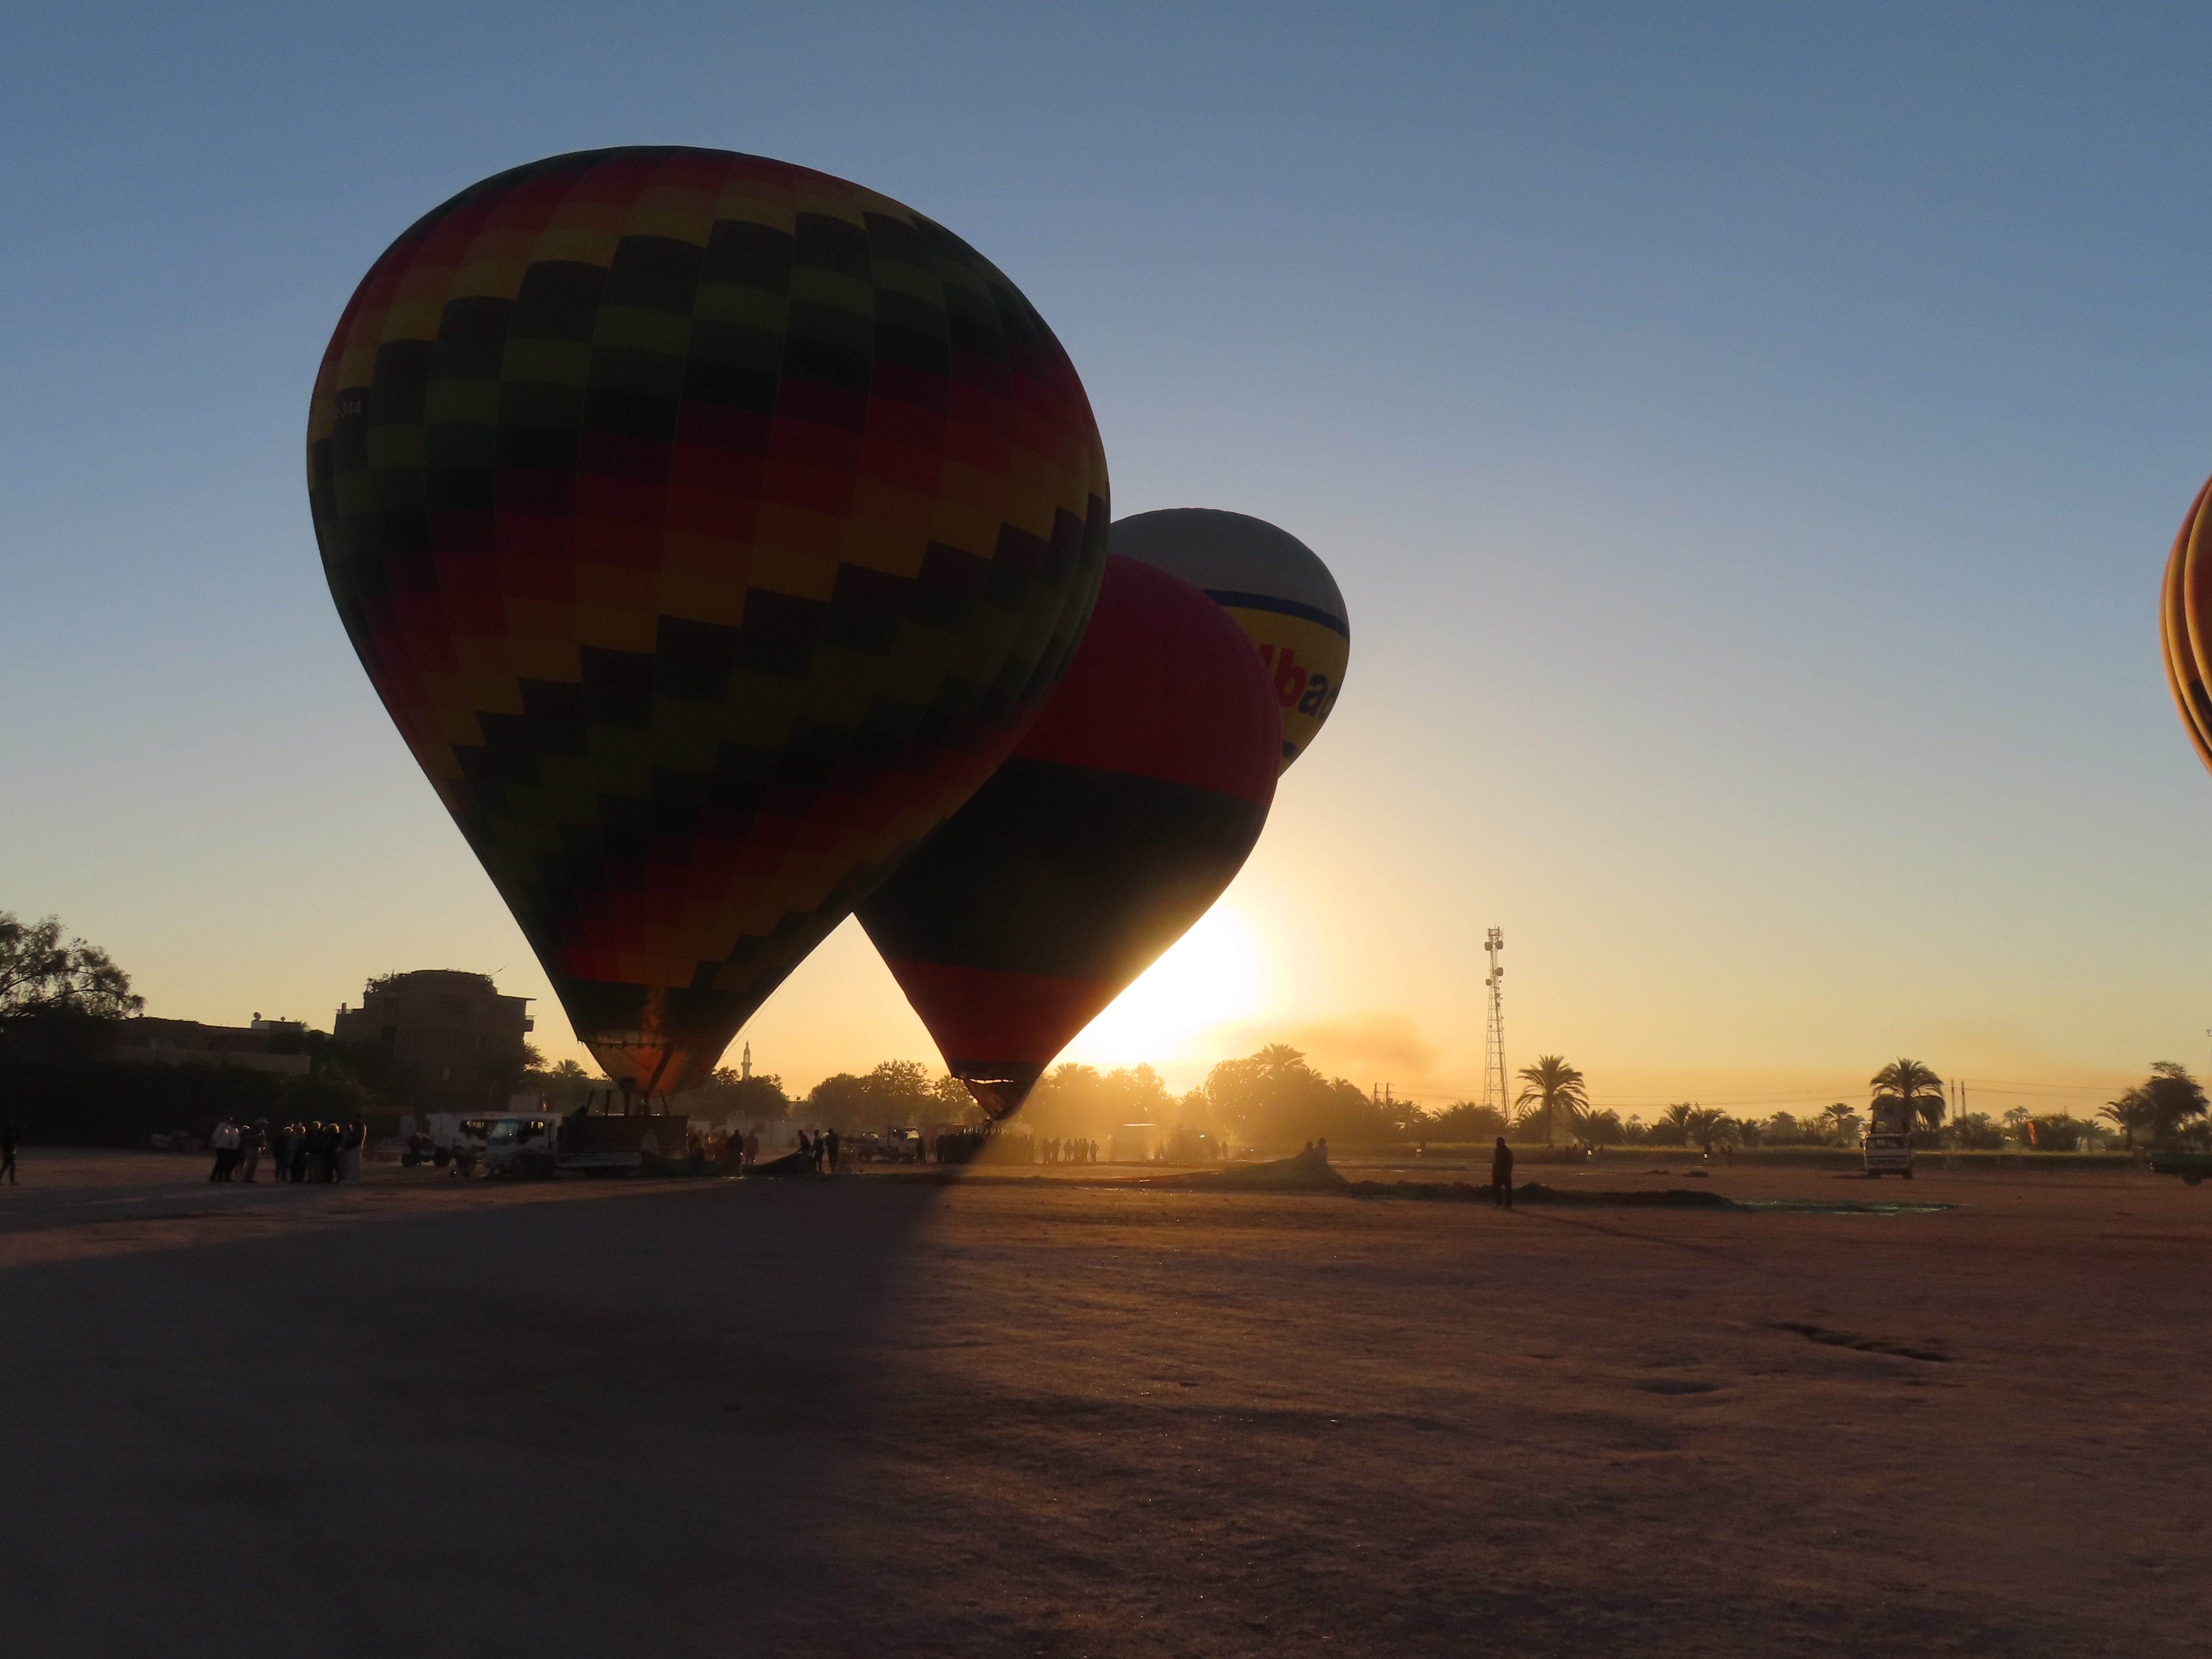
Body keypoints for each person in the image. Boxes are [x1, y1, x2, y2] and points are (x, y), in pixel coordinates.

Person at [209, 1118, 239, 1182]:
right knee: (221, 1163)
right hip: (223, 1148)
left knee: (223, 1163)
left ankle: (221, 1176)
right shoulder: (225, 1128)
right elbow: (218, 1136)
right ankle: (217, 1176)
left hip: (228, 1148)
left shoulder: (233, 1130)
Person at [240, 1119, 267, 1183]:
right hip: (251, 1148)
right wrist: (257, 1136)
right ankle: (246, 1177)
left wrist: (263, 1146)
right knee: (250, 1163)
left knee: (255, 1164)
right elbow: (246, 1138)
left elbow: (263, 1139)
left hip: (257, 1148)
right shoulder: (253, 1130)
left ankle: (251, 1177)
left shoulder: (261, 1131)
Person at [1491, 1135, 1514, 1209]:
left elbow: (1510, 1163)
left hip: (1505, 1173)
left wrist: (1508, 1172)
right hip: (1497, 1173)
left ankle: (1508, 1205)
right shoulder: (1497, 1151)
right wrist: (1493, 1171)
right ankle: (1499, 1203)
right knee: (1495, 1188)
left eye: (1499, 1143)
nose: (1497, 1144)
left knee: (1508, 1190)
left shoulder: (1507, 1152)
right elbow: (1495, 1162)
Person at [0, 1119, 18, 1185]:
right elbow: (10, 1142)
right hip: (9, 1152)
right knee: (11, 1166)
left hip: (8, 1152)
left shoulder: (7, 1132)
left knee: (6, 1166)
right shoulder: (9, 1133)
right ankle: (12, 1181)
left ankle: (11, 1181)